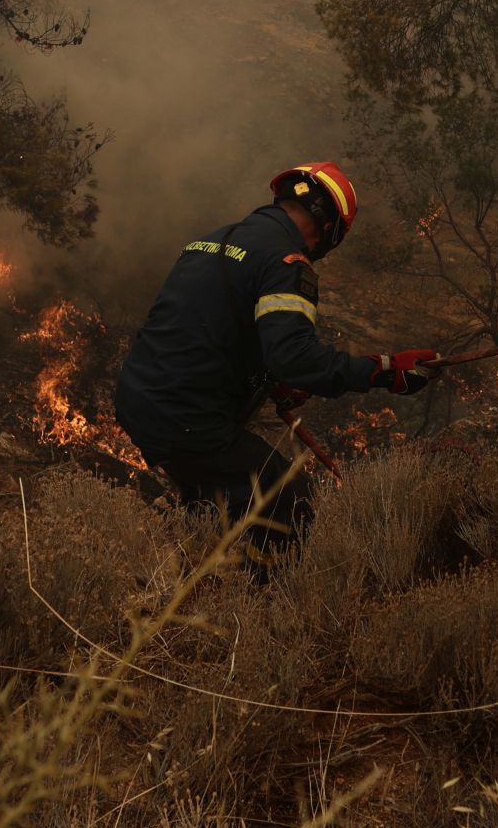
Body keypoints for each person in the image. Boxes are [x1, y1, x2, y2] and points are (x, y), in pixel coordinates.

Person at [114, 162, 438, 574]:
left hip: (140, 398)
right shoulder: (286, 261)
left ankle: (201, 586)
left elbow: (214, 329)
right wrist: (384, 369)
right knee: (287, 498)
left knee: (214, 504)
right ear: (331, 228)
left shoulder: (209, 242)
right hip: (187, 416)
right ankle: (260, 605)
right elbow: (296, 357)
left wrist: (272, 379)